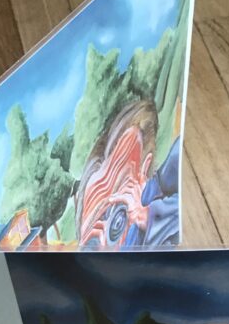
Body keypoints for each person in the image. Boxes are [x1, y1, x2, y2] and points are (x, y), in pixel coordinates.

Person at [75, 99, 180, 250]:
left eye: (115, 210)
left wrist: (147, 217)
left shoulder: (155, 198)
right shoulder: (92, 190)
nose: (104, 234)